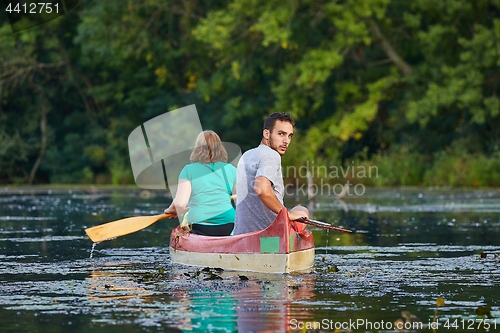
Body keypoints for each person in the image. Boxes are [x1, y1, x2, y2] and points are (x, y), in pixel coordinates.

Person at [232, 112, 309, 235]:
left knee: (298, 210)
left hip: (241, 235)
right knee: (302, 209)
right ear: (266, 133)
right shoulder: (271, 155)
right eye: (281, 134)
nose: (286, 141)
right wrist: (287, 214)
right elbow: (261, 188)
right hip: (270, 237)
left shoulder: (246, 155)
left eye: (289, 136)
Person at [164, 130, 236, 236]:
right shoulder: (231, 169)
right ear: (220, 147)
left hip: (201, 226)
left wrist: (171, 210)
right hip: (230, 224)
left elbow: (180, 203)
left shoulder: (188, 170)